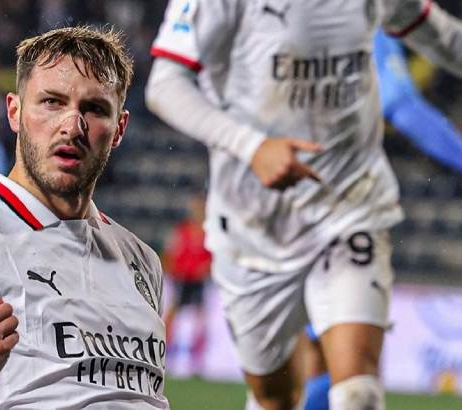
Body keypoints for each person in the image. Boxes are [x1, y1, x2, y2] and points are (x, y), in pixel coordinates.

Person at [145, 1, 462, 409]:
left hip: (349, 208)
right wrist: (253, 147)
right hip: (254, 228)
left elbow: (442, 36)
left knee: (358, 393)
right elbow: (164, 86)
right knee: (274, 398)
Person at [0, 26, 170, 409]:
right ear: (15, 112)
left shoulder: (141, 260)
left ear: (119, 128)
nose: (73, 127)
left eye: (94, 108)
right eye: (52, 102)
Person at [301, 28, 462, 410]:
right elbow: (401, 105)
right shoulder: (362, 19)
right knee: (350, 370)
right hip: (330, 210)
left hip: (276, 208)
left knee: (308, 366)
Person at [162, 190, 211, 370]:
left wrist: (205, 270)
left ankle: (197, 359)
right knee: (172, 316)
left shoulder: (208, 231)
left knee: (201, 320)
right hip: (182, 280)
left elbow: (213, 258)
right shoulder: (183, 230)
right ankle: (162, 351)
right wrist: (173, 271)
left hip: (199, 282)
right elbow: (171, 253)